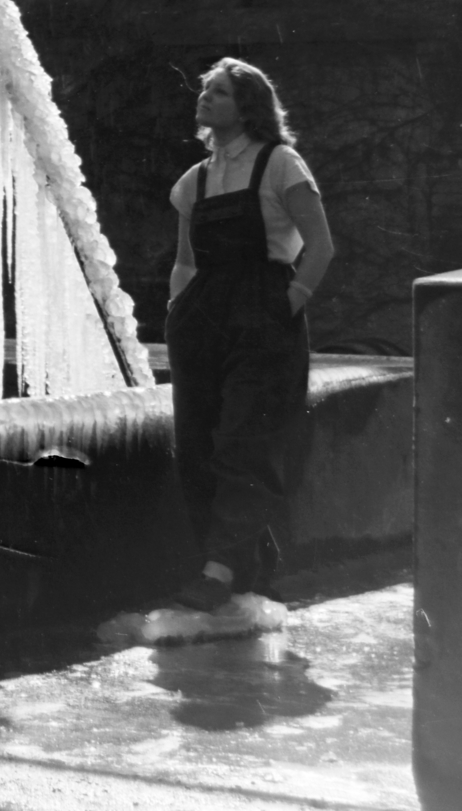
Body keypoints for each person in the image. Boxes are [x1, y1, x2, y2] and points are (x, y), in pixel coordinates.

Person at [165, 58, 334, 611]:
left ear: (247, 106)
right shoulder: (196, 180)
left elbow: (321, 246)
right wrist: (177, 314)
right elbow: (186, 262)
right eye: (205, 90)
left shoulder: (280, 163)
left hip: (262, 310)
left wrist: (285, 306)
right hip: (203, 317)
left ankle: (217, 574)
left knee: (244, 440)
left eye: (220, 92)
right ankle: (251, 571)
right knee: (196, 444)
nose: (206, 98)